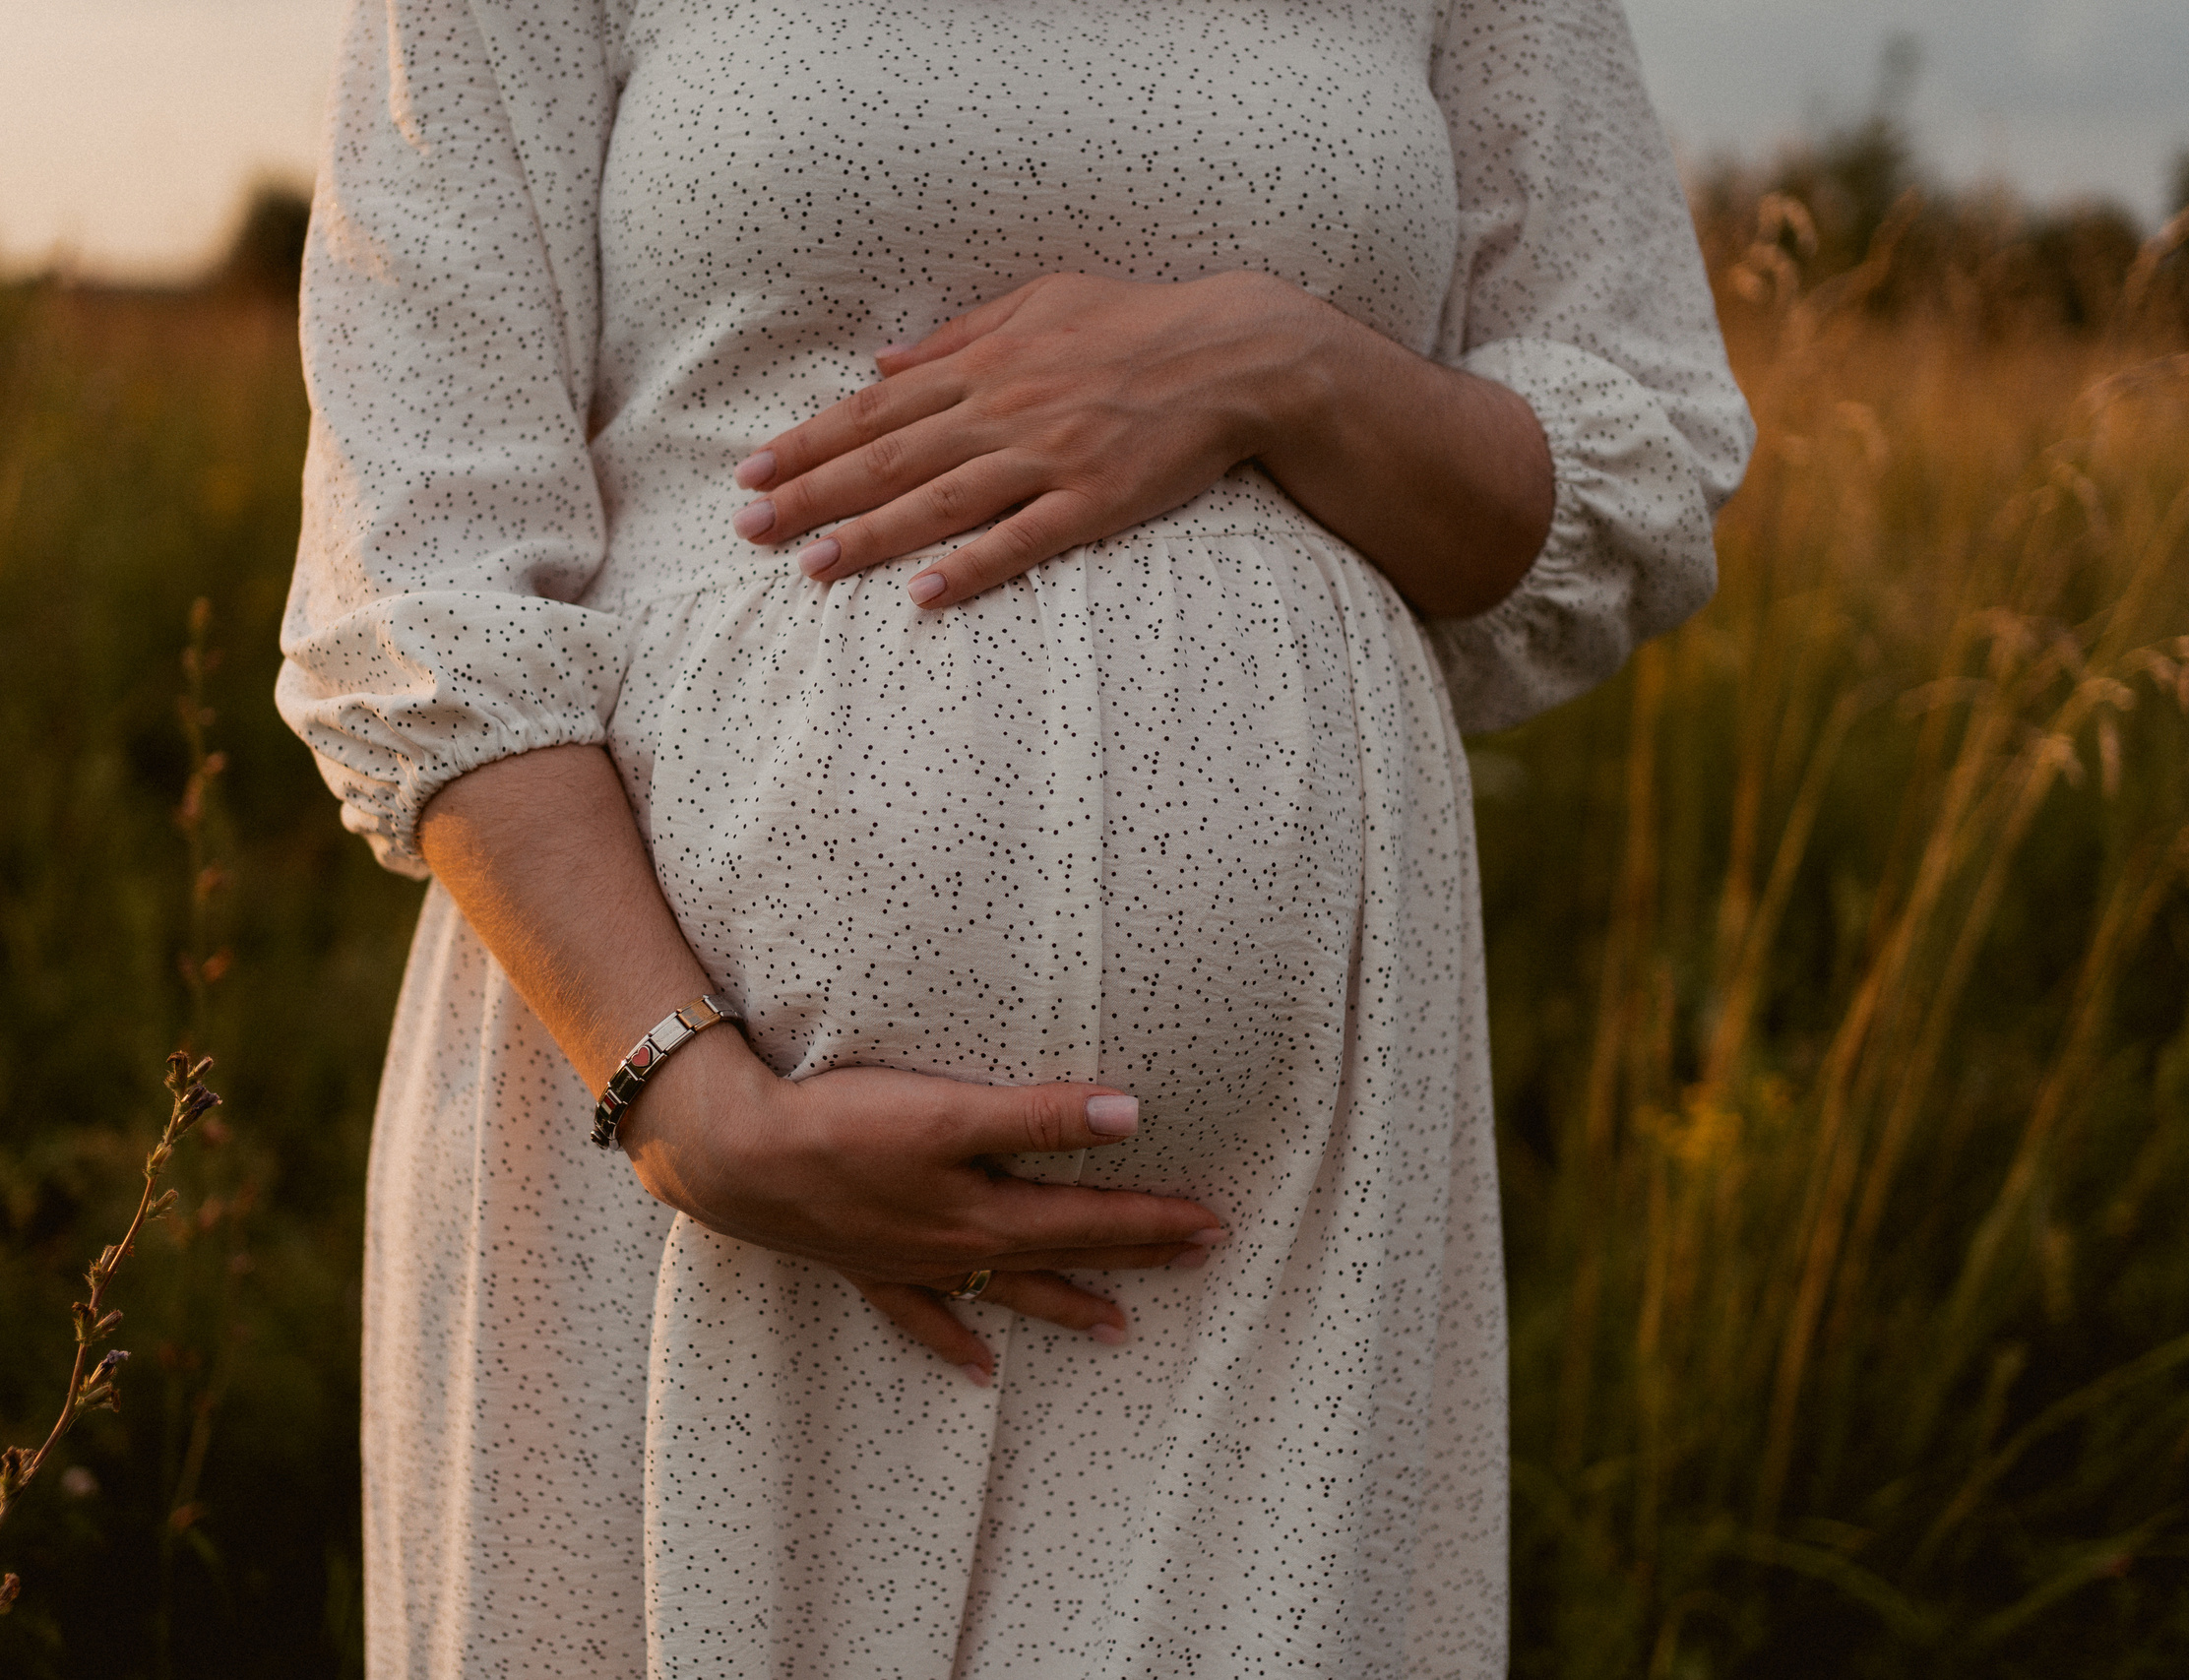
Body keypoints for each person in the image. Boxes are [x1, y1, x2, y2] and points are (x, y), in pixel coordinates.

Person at [276, 0, 1753, 1672]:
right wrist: (682, 1094)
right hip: (674, 1167)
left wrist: (1291, 366)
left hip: (1255, 1245)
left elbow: (1633, 451)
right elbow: (420, 562)